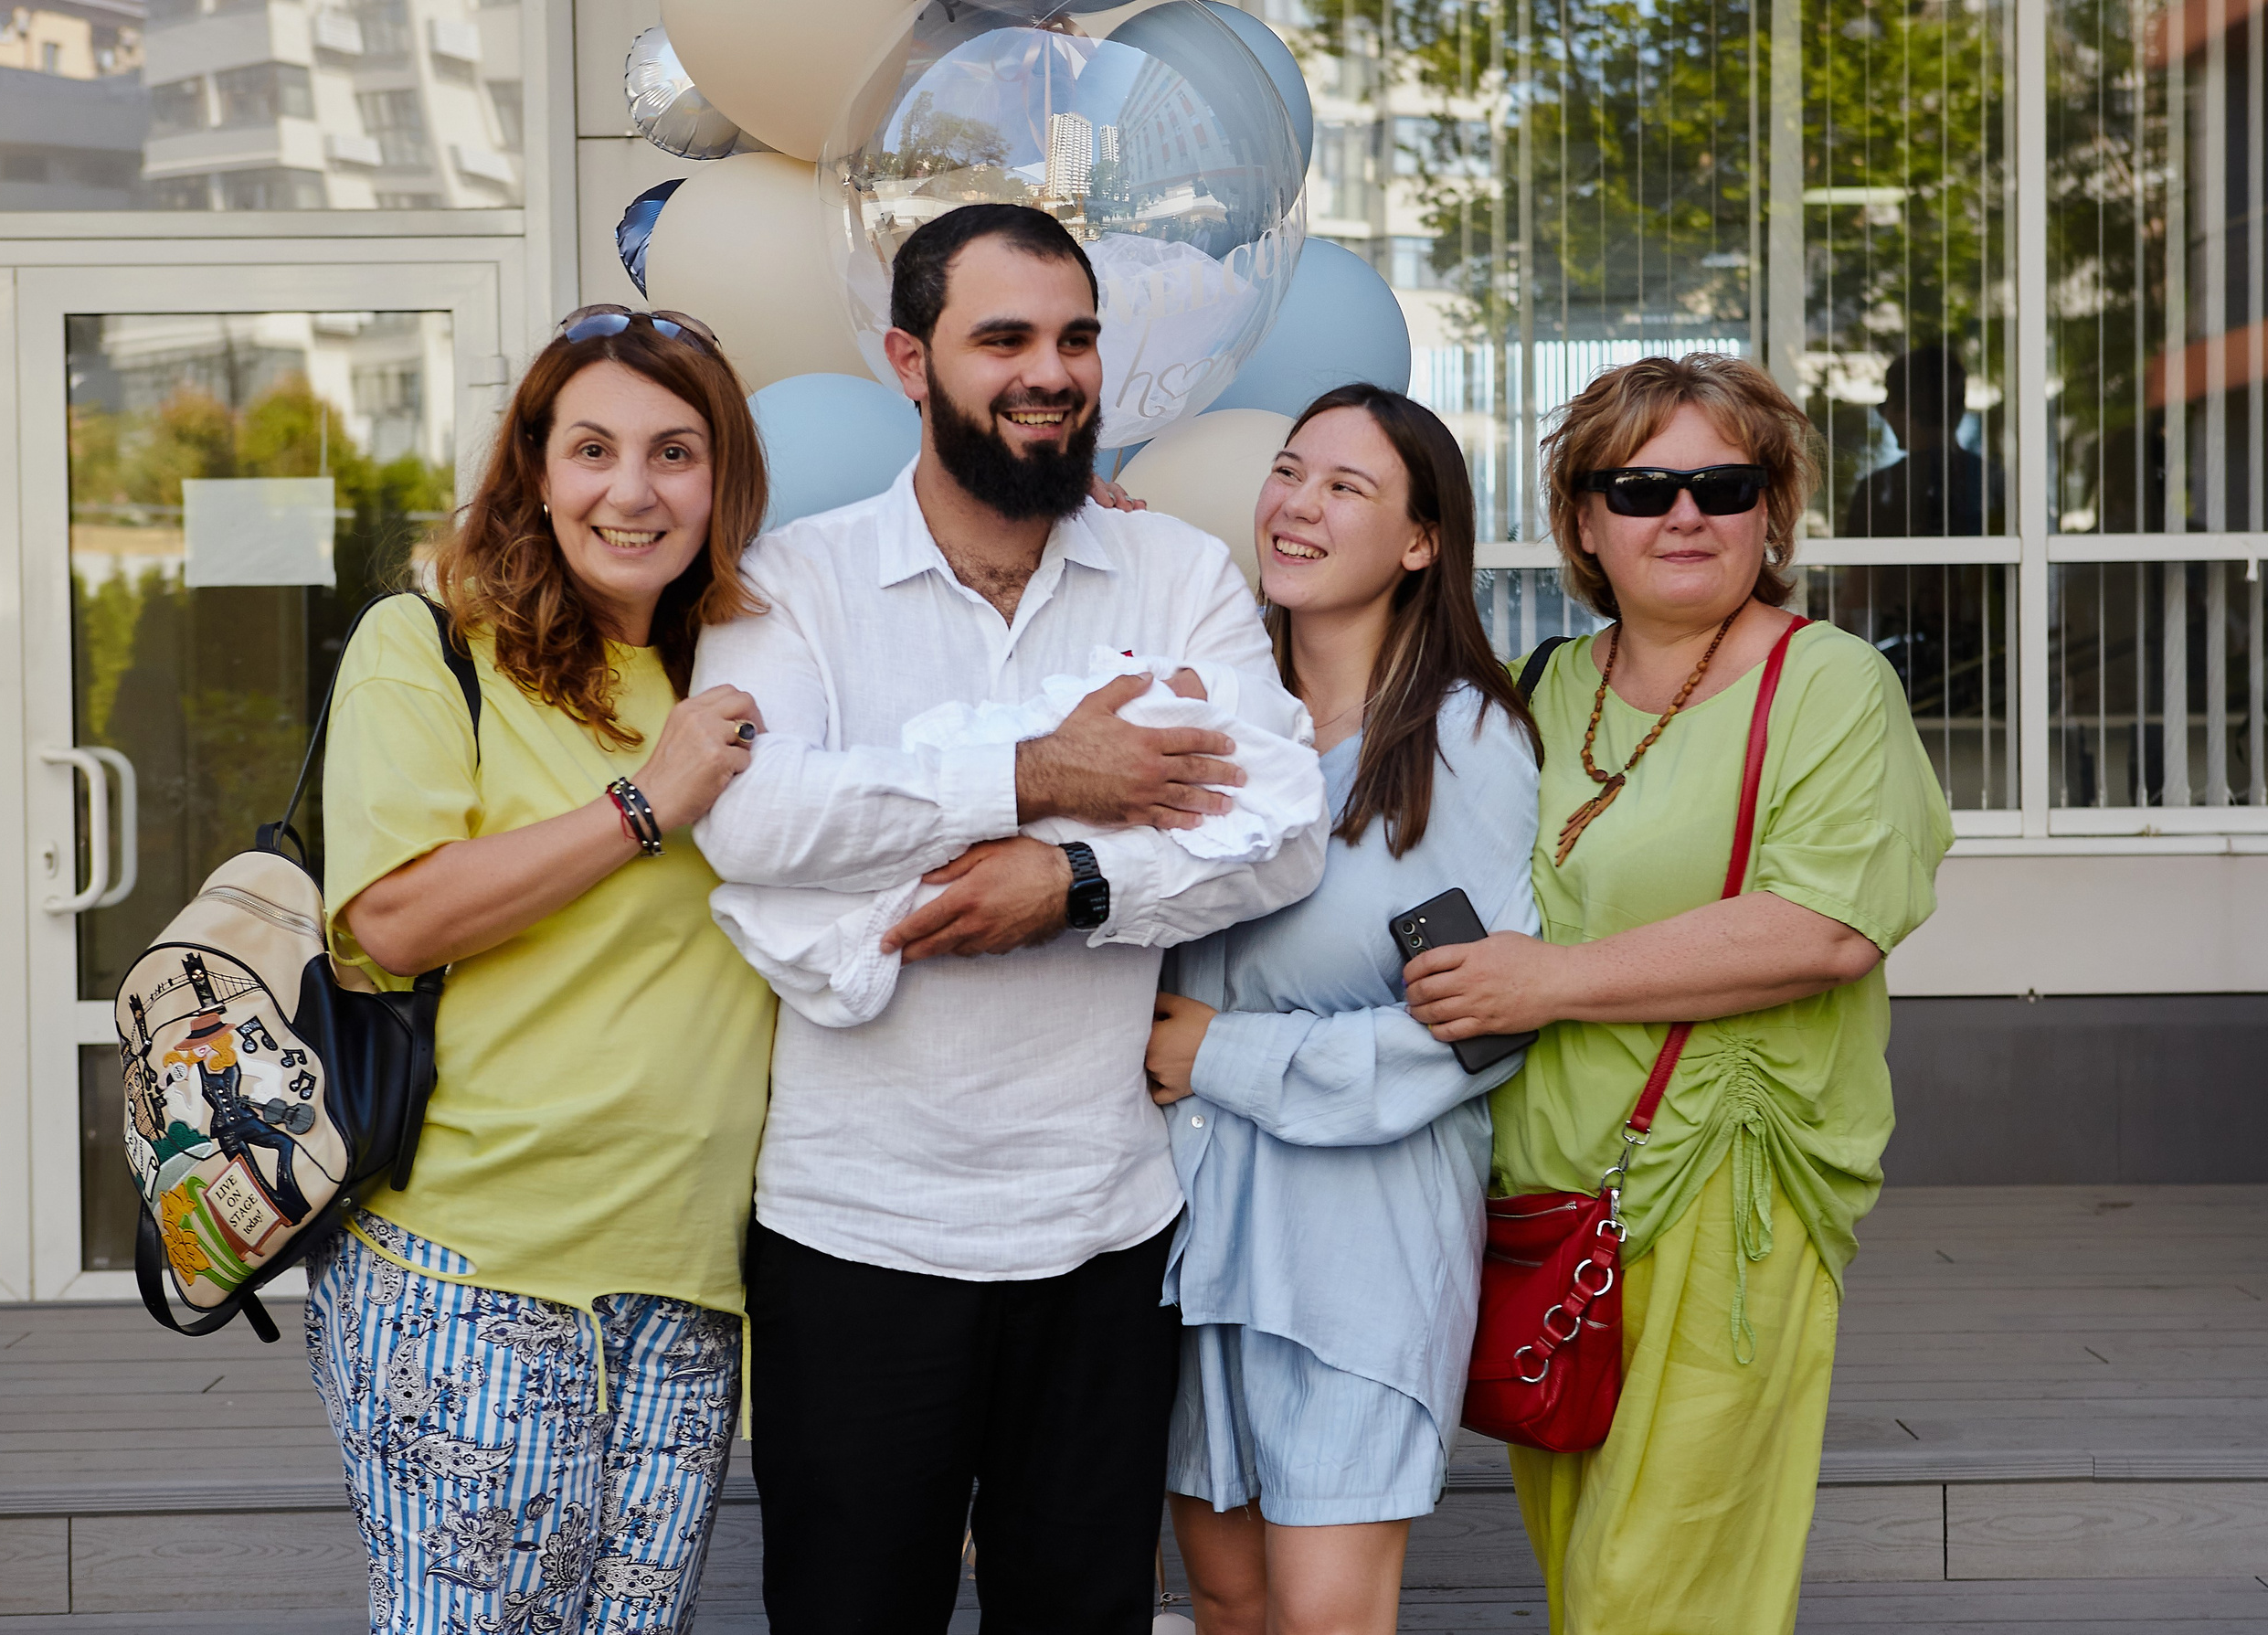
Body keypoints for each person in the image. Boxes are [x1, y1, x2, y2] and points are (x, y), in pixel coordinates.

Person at [692, 202, 1328, 1633]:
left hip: (1102, 1228)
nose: (1052, 372)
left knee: (1084, 1616)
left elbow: (1281, 829)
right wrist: (1047, 773)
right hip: (856, 1231)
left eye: (1077, 337)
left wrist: (1075, 883)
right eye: (1006, 339)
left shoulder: (1177, 576)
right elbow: (757, 820)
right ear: (910, 362)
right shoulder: (795, 582)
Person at [1401, 353, 1953, 1634]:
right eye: (1642, 487)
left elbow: (1825, 928)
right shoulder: (1541, 686)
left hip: (1726, 1179)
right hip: (1541, 1197)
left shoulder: (1826, 683)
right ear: (1584, 521)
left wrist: (1553, 980)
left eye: (1722, 482)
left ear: (1772, 510)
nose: (1685, 514)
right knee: (1583, 1560)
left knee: (1650, 1593)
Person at [305, 304, 775, 1634]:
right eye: (592, 451)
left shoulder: (750, 658)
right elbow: (394, 917)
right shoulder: (434, 645)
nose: (632, 491)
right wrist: (645, 803)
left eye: (674, 452)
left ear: (721, 478)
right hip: (471, 1259)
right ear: (535, 470)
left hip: (686, 1276)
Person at [1143, 384, 1542, 1635]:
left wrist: (1224, 1053)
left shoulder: (1462, 744)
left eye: (1346, 487)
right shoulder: (1211, 721)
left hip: (1355, 1246)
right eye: (1289, 470)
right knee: (1226, 1598)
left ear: (1422, 541)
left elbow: (1479, 1027)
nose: (1297, 505)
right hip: (1188, 1238)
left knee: (1323, 1615)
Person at [1837, 344, 2001, 536]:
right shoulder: (1995, 483)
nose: (1885, 416)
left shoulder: (1880, 490)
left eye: (1884, 407)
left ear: (1905, 412)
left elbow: (1861, 566)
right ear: (1960, 409)